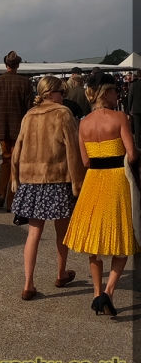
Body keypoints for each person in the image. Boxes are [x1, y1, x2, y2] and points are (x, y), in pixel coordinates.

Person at [63, 70, 139, 317]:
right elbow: (133, 154)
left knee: (94, 243)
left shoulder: (83, 123)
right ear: (106, 93)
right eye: (115, 90)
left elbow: (85, 161)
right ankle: (108, 291)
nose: (118, 94)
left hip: (93, 181)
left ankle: (97, 293)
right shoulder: (119, 118)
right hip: (117, 179)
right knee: (122, 241)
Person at [11, 76, 83, 300]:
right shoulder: (63, 113)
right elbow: (73, 150)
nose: (64, 95)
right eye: (62, 91)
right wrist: (78, 183)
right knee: (62, 232)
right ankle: (61, 273)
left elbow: (17, 148)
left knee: (33, 233)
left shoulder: (29, 115)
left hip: (32, 182)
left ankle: (28, 284)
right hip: (57, 179)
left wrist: (15, 176)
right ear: (51, 92)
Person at [0, 51, 33, 210]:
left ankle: (1, 193)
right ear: (18, 65)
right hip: (20, 128)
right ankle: (11, 201)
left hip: (2, 128)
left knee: (6, 161)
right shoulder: (25, 83)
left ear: (5, 64)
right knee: (16, 163)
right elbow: (29, 109)